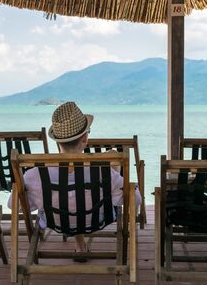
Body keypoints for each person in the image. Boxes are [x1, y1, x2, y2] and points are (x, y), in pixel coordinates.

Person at [8, 101, 141, 261]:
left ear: (57, 141)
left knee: (71, 200)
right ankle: (81, 244)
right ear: (84, 139)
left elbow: (13, 205)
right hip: (96, 220)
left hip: (56, 222)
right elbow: (135, 200)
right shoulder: (103, 172)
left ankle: (79, 244)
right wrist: (115, 170)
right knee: (81, 199)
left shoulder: (35, 174)